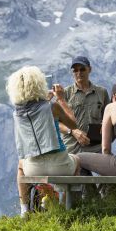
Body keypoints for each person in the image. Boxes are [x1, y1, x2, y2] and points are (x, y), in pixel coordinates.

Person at [6, 65, 80, 216]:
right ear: (39, 84)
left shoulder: (17, 113)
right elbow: (74, 123)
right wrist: (61, 99)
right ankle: (65, 206)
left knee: (20, 166)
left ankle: (24, 209)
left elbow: (36, 110)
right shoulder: (53, 107)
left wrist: (44, 101)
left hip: (34, 168)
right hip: (60, 165)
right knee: (77, 160)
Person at [60, 56, 110, 155]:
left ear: (89, 69)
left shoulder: (102, 92)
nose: (79, 73)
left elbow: (109, 119)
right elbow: (57, 123)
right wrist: (73, 131)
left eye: (82, 69)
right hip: (72, 149)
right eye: (75, 70)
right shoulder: (64, 93)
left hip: (96, 149)